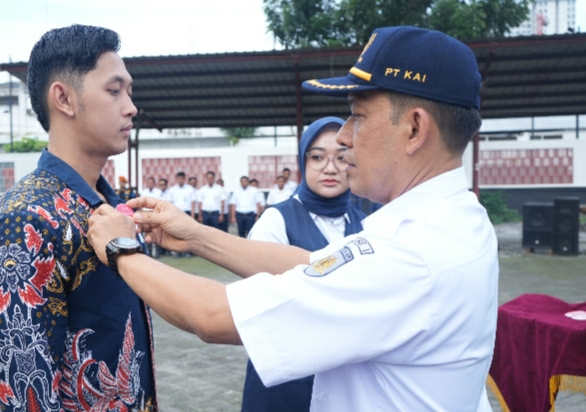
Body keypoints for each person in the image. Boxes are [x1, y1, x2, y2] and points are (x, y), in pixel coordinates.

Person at [89, 26, 496, 411]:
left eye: (358, 116)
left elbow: (212, 316)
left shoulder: (410, 257)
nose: (344, 137)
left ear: (414, 129)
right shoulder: (455, 219)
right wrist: (196, 236)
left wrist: (121, 250)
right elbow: (317, 266)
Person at [0, 25, 156, 411]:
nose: (131, 107)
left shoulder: (111, 209)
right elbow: (29, 394)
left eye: (129, 91)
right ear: (64, 99)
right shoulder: (24, 221)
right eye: (114, 90)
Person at [241, 116, 366, 412]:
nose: (330, 168)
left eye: (341, 157)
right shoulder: (276, 220)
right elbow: (262, 299)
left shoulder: (366, 224)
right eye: (318, 157)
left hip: (348, 380)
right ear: (303, 162)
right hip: (286, 379)